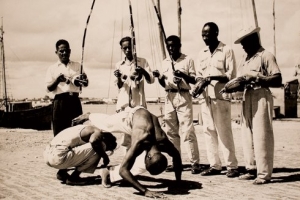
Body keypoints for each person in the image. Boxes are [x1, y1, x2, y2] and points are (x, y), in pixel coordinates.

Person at [72, 106, 182, 199]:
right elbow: (123, 170)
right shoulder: (141, 140)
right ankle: (89, 115)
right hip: (130, 117)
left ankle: (109, 172)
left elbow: (176, 156)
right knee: (106, 124)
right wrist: (145, 191)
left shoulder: (163, 141)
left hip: (145, 121)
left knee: (134, 163)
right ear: (148, 156)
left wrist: (178, 181)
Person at [234, 26, 282, 184]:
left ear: (254, 39)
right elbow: (241, 79)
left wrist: (258, 78)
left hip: (261, 95)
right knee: (246, 134)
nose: (243, 45)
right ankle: (251, 168)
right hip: (247, 96)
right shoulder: (245, 58)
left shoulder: (266, 55)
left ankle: (264, 174)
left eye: (245, 42)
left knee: (262, 135)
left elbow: (277, 79)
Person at [193, 22, 239, 178]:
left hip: (221, 98)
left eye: (207, 34)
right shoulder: (202, 53)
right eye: (203, 35)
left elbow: (231, 76)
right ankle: (215, 165)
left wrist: (210, 78)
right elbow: (199, 76)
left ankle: (232, 166)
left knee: (224, 131)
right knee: (208, 131)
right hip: (205, 99)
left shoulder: (226, 50)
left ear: (216, 33)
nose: (204, 38)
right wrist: (199, 84)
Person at [152, 35, 202, 174]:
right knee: (171, 132)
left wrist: (183, 75)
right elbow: (163, 84)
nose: (171, 48)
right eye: (168, 46)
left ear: (179, 45)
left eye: (173, 46)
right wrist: (159, 78)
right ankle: (176, 162)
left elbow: (194, 80)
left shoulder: (188, 60)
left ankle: (195, 163)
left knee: (187, 131)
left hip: (183, 95)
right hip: (169, 96)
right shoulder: (165, 62)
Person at [43, 124, 117, 185]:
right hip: (58, 157)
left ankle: (62, 173)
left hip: (47, 154)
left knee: (70, 146)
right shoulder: (98, 132)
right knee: (98, 147)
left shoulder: (84, 128)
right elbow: (94, 141)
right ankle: (73, 178)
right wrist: (104, 156)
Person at [45, 39, 89, 136]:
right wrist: (57, 80)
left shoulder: (78, 65)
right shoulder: (52, 68)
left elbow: (85, 84)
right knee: (59, 133)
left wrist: (83, 80)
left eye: (66, 51)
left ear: (70, 51)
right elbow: (48, 89)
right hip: (60, 102)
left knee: (78, 132)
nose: (64, 53)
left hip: (75, 101)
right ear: (56, 52)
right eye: (61, 51)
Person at [114, 36, 154, 113]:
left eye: (130, 47)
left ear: (134, 47)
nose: (128, 50)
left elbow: (151, 80)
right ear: (121, 49)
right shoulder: (118, 65)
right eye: (125, 48)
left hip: (139, 105)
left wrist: (143, 71)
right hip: (123, 106)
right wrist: (119, 77)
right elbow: (119, 86)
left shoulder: (142, 61)